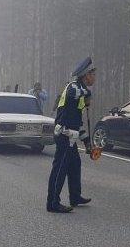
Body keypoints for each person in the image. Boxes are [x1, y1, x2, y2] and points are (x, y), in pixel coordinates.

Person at [46, 57, 96, 213]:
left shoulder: (80, 95)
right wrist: (87, 94)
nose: (94, 77)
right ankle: (53, 202)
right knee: (60, 168)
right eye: (92, 74)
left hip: (71, 135)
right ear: (85, 75)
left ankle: (75, 196)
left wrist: (87, 142)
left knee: (75, 164)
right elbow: (77, 92)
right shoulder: (73, 87)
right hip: (64, 135)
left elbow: (77, 123)